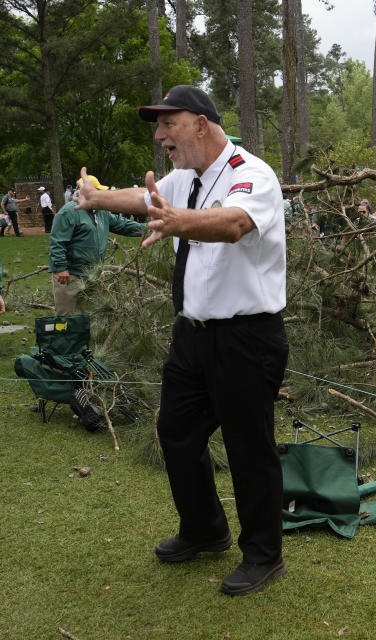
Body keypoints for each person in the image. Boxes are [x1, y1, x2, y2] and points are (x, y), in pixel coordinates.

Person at [75, 85, 288, 596]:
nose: (159, 135)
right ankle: (205, 530)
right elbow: (146, 197)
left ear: (199, 123)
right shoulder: (187, 178)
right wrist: (98, 198)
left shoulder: (250, 174)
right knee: (176, 432)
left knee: (247, 446)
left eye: (167, 123)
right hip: (192, 337)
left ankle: (263, 555)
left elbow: (235, 224)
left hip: (246, 338)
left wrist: (178, 222)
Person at [48, 177, 146, 314]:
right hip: (70, 276)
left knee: (90, 317)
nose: (100, 195)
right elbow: (57, 241)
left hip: (92, 275)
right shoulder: (69, 211)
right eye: (97, 191)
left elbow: (123, 224)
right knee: (68, 320)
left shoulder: (101, 212)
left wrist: (149, 229)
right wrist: (61, 267)